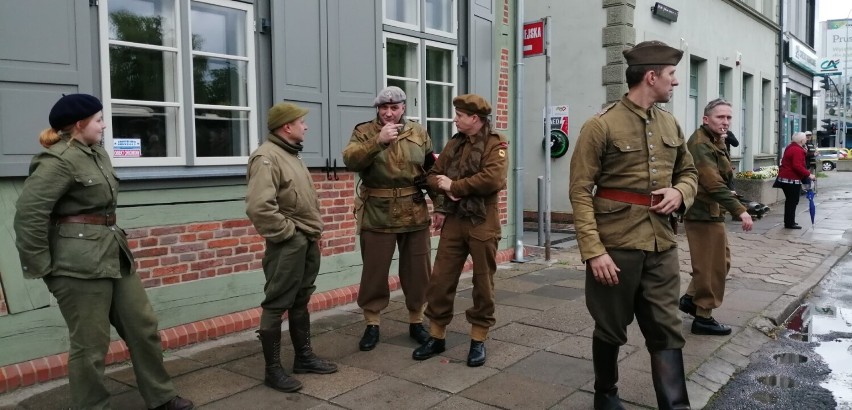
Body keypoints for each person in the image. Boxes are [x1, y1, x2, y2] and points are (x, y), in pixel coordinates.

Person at [13, 94, 193, 410]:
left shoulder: (96, 153)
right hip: (77, 263)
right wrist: (42, 268)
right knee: (91, 345)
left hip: (113, 252)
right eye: (98, 119)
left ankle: (161, 396)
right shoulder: (58, 160)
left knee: (143, 328)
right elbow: (29, 214)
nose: (104, 125)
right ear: (80, 124)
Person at [568, 41, 698, 409]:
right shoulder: (600, 126)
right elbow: (580, 191)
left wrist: (680, 192)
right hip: (616, 245)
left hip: (661, 244)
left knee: (667, 326)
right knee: (610, 326)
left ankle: (676, 405)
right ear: (651, 76)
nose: (675, 82)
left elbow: (688, 172)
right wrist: (594, 252)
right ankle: (605, 394)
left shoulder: (669, 122)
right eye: (671, 75)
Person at [246, 102, 338, 393]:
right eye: (301, 122)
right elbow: (260, 207)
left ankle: (304, 357)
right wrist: (290, 234)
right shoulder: (266, 157)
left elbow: (301, 200)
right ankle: (273, 370)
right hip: (289, 244)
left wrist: (311, 232)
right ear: (287, 126)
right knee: (276, 303)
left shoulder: (291, 154)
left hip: (307, 240)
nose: (306, 126)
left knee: (301, 299)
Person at [411, 94, 508, 367]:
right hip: (454, 220)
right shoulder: (454, 143)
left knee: (483, 282)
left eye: (460, 115)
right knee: (440, 280)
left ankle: (478, 339)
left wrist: (454, 187)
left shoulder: (495, 144)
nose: (455, 118)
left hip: (482, 220)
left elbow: (493, 179)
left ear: (474, 118)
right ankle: (436, 335)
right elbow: (433, 174)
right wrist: (442, 200)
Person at [341, 86, 435, 351]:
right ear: (378, 110)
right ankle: (372, 323)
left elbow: (431, 169)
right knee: (374, 271)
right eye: (384, 108)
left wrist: (440, 207)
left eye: (394, 108)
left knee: (418, 271)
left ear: (403, 108)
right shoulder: (364, 132)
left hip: (414, 209)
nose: (389, 113)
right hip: (377, 211)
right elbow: (351, 160)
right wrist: (377, 141)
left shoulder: (419, 132)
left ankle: (417, 321)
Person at [679, 99, 754, 337]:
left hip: (712, 212)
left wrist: (724, 140)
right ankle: (703, 317)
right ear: (706, 119)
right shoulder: (701, 144)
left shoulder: (715, 139)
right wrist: (740, 210)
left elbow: (723, 177)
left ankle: (691, 299)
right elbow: (712, 183)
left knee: (721, 262)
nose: (725, 122)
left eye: (728, 118)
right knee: (711, 268)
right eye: (720, 117)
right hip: (702, 213)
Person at [775, 132, 815, 229]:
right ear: (801, 141)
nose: (806, 139)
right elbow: (797, 166)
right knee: (792, 201)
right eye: (805, 138)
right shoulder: (797, 150)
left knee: (790, 201)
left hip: (786, 178)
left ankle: (789, 221)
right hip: (791, 180)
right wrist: (809, 174)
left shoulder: (791, 147)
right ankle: (789, 223)